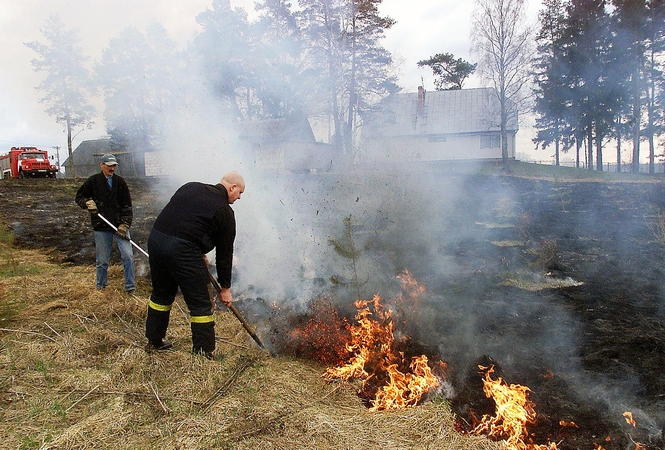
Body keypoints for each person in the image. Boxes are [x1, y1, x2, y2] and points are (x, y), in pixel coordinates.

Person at [144, 171, 245, 358]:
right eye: (239, 193)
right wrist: (225, 288)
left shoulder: (190, 186)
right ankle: (203, 352)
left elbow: (184, 220)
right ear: (232, 187)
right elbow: (225, 254)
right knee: (200, 304)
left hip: (157, 241)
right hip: (181, 250)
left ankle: (154, 340)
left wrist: (197, 250)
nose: (239, 197)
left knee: (161, 294)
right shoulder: (225, 211)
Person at [75, 153, 135, 293]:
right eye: (109, 165)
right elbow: (79, 197)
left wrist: (124, 224)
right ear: (101, 165)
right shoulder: (93, 181)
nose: (112, 168)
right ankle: (101, 286)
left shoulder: (120, 183)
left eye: (114, 165)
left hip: (119, 225)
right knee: (102, 260)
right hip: (101, 226)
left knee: (128, 256)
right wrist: (87, 202)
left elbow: (127, 206)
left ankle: (130, 287)